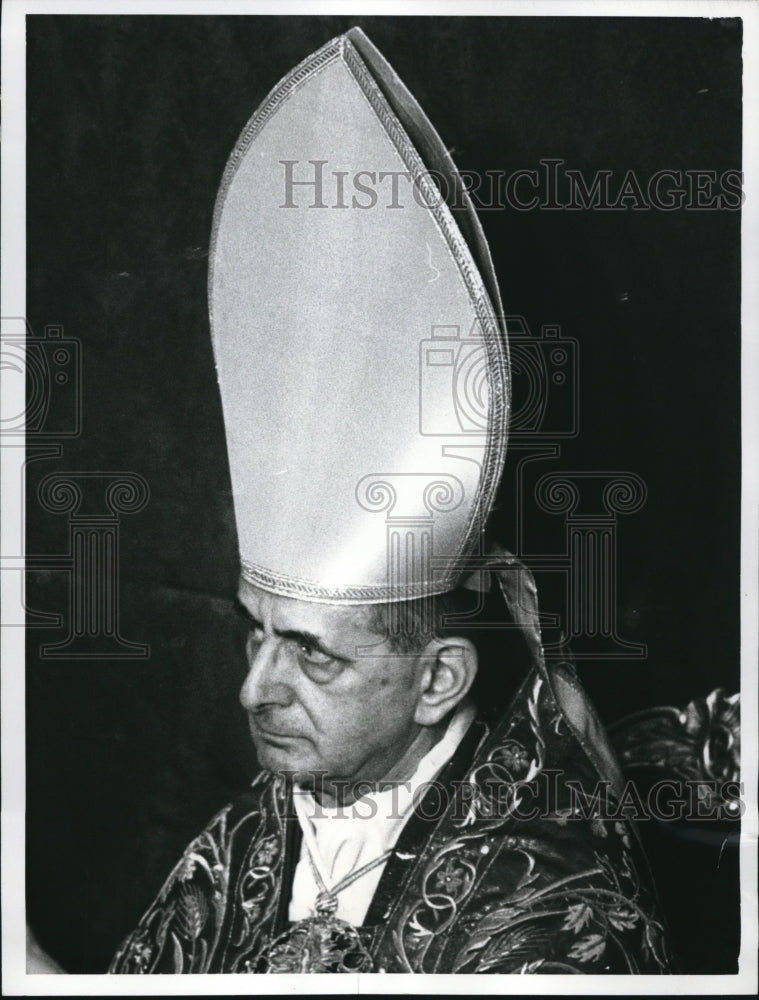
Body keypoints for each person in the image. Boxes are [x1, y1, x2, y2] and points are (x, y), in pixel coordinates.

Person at [109, 27, 671, 975]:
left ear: (438, 680)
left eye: (313, 657)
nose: (253, 688)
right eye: (257, 633)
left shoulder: (552, 905)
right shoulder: (256, 829)